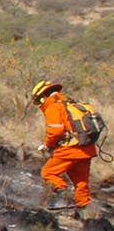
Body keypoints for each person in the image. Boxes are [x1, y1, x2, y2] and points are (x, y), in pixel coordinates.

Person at [32, 79, 97, 219]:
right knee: (81, 182)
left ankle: (62, 196)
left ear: (43, 96)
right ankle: (86, 212)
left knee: (48, 173)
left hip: (70, 149)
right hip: (86, 148)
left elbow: (55, 131)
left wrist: (47, 145)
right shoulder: (70, 103)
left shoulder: (53, 107)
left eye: (39, 101)